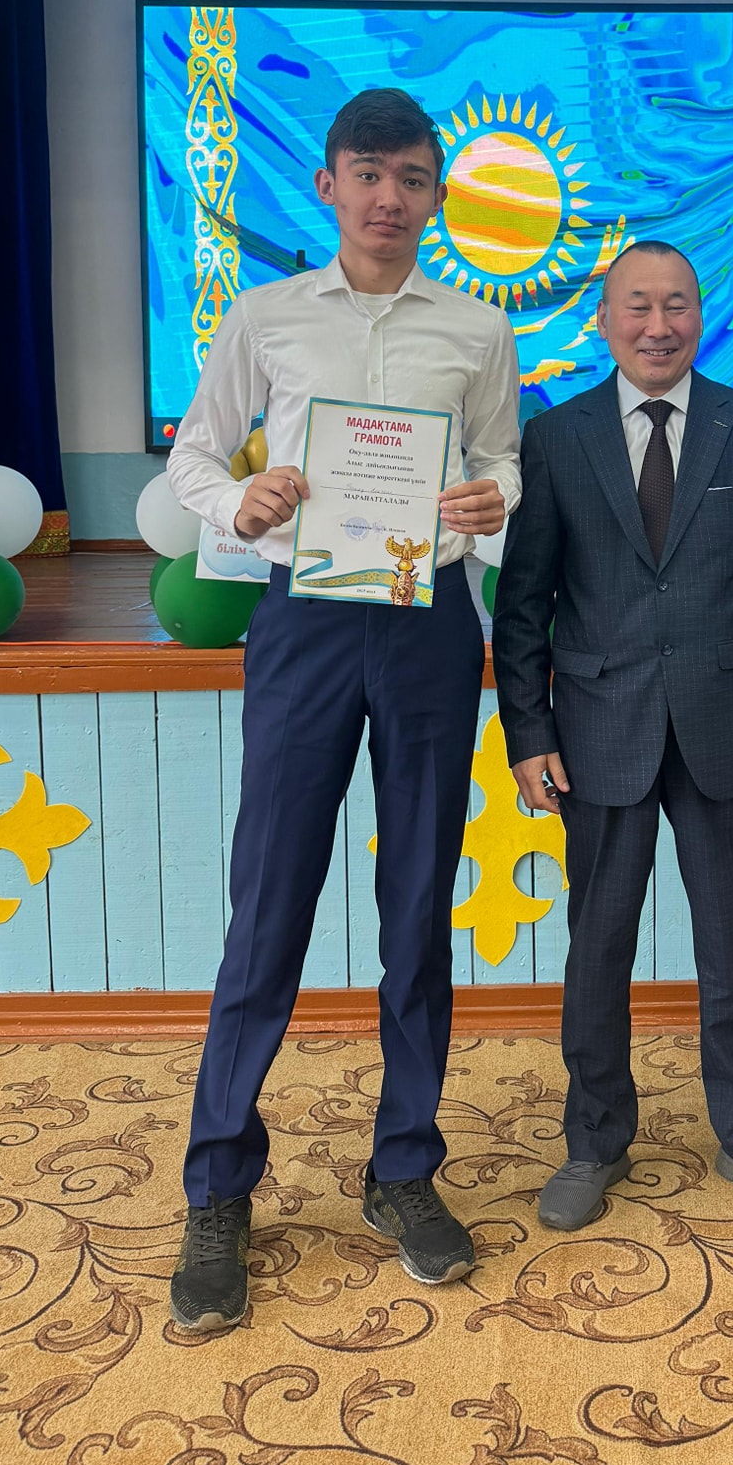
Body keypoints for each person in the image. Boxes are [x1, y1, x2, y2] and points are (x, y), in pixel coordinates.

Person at [164, 87, 520, 1329]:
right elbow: (193, 453)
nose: (387, 196)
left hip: (429, 625)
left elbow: (503, 457)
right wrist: (237, 502)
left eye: (411, 177)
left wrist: (490, 497)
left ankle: (403, 1167)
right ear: (327, 184)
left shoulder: (477, 328)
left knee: (418, 905)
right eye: (367, 173)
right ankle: (219, 1186)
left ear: (437, 195)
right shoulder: (264, 316)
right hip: (305, 622)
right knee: (268, 905)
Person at [493, 241, 733, 1231]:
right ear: (603, 320)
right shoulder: (555, 438)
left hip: (728, 729)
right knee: (597, 946)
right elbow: (523, 606)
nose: (657, 324)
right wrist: (527, 733)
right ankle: (594, 1139)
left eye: (676, 303)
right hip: (598, 728)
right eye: (636, 305)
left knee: (732, 945)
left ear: (700, 315)